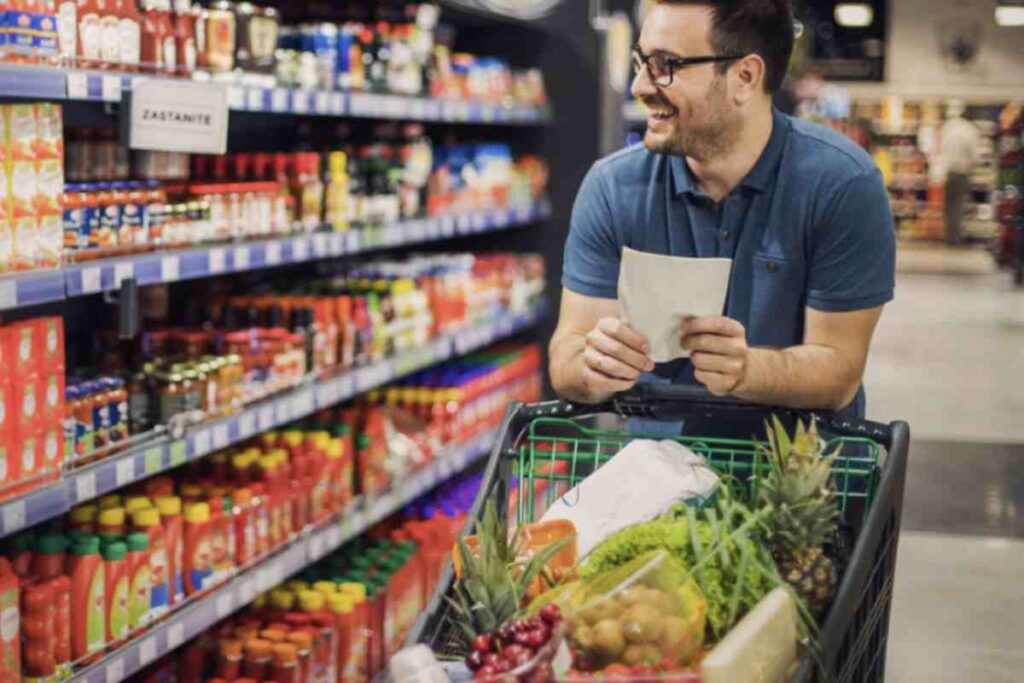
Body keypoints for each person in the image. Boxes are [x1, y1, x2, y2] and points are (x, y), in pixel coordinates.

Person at [549, 0, 895, 429]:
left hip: (801, 479)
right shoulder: (613, 187)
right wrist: (591, 366)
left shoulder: (842, 185)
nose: (638, 85)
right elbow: (567, 356)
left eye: (664, 65)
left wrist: (747, 371)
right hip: (656, 479)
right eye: (641, 61)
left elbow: (839, 370)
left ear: (744, 78)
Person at [935, 99, 981, 246]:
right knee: (958, 205)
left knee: (949, 206)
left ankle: (950, 236)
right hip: (962, 172)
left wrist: (938, 173)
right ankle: (955, 237)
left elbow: (940, 152)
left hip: (949, 173)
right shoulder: (969, 129)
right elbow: (975, 155)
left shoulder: (946, 128)